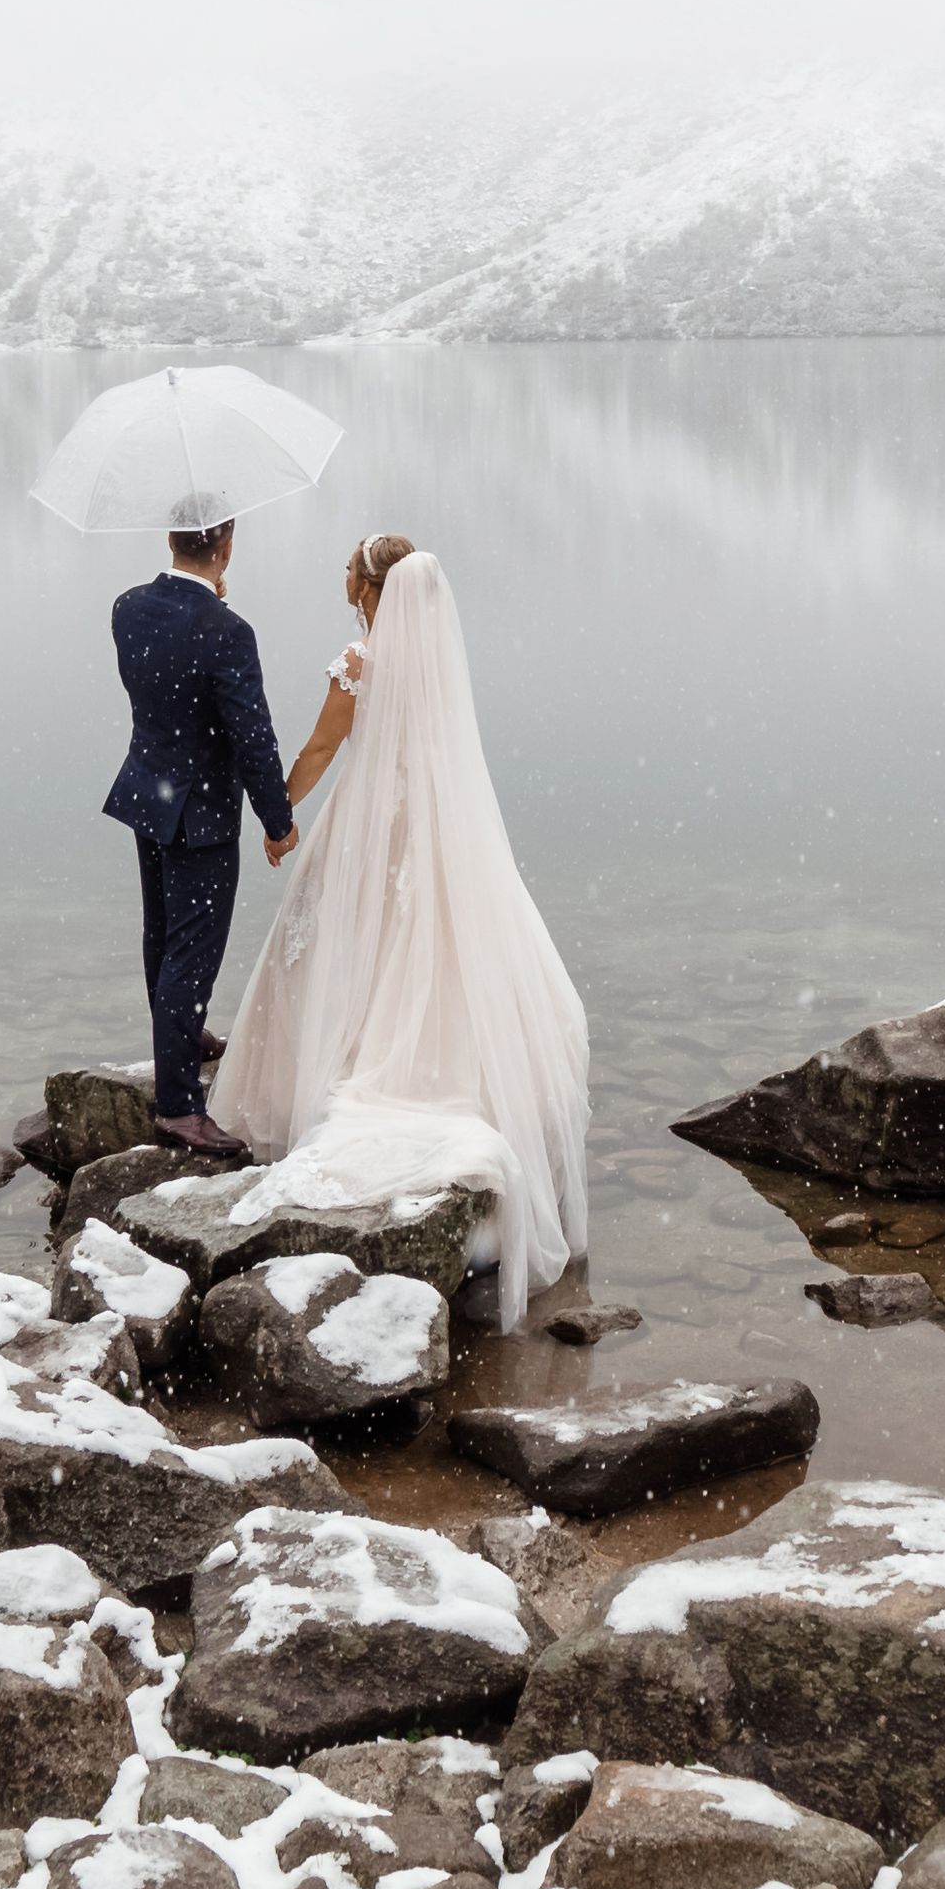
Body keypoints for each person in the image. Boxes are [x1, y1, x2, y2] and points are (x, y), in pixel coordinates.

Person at [205, 537, 593, 1321]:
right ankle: (462, 1078)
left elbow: (321, 746)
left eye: (348, 566)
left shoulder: (362, 662)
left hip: (372, 828)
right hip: (439, 830)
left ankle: (335, 1071)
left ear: (368, 587)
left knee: (341, 945)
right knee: (437, 948)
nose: (341, 576)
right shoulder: (436, 667)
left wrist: (279, 818)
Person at [101, 512, 302, 1156]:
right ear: (227, 545)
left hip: (149, 793)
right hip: (203, 812)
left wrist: (200, 601)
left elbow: (161, 688)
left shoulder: (128, 608)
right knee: (193, 949)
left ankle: (180, 1037)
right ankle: (180, 1107)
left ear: (169, 540)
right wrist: (278, 819)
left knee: (161, 931)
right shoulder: (226, 631)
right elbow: (253, 736)